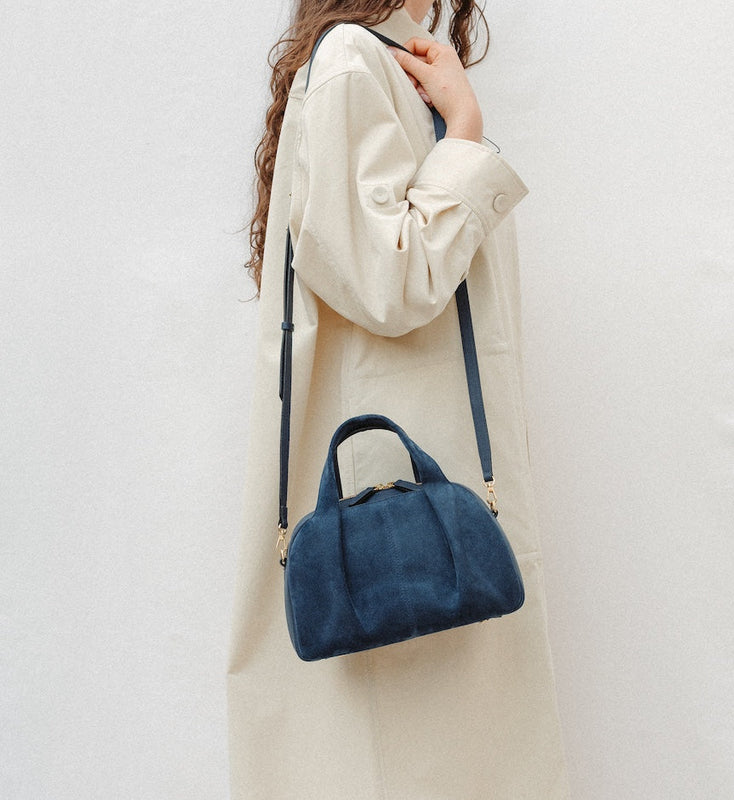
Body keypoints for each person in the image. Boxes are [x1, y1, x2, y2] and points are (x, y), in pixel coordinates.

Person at [228, 2, 571, 797]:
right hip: (407, 502)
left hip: (422, 489)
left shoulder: (383, 60)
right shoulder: (354, 60)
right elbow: (390, 280)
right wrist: (463, 132)